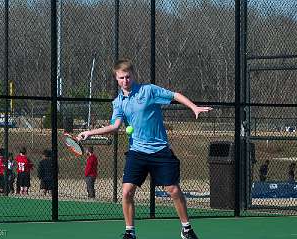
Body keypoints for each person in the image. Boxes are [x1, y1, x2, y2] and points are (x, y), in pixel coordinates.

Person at [77, 59, 212, 239]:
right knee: (126, 191)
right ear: (116, 79)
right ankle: (130, 232)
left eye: (128, 76)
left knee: (173, 190)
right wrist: (90, 133)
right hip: (137, 152)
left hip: (160, 150)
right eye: (121, 78)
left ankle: (186, 228)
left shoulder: (148, 90)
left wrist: (193, 107)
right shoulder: (118, 102)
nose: (125, 80)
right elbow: (115, 126)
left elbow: (174, 95)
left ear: (133, 75)